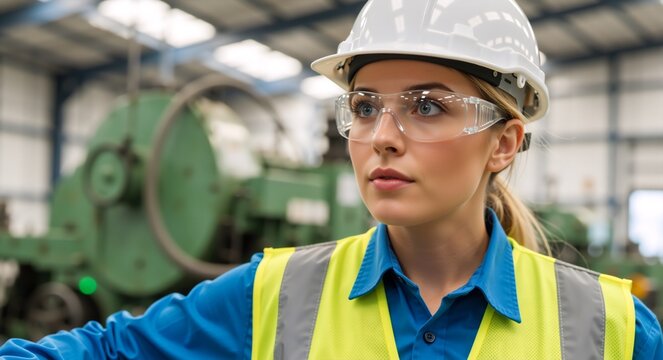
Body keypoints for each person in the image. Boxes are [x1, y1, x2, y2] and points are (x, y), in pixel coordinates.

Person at [1, 0, 662, 358]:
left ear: (504, 143)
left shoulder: (611, 330)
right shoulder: (273, 296)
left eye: (427, 106)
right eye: (365, 106)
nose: (380, 136)